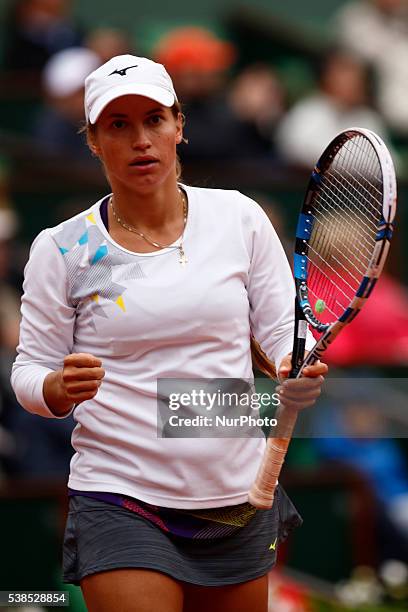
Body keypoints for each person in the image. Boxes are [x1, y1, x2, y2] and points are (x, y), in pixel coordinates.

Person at [11, 54, 327, 612]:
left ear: (179, 126)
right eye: (118, 125)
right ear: (92, 140)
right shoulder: (66, 249)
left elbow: (283, 333)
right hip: (121, 494)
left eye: (154, 120)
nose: (140, 140)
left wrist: (291, 367)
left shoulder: (240, 219)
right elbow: (29, 374)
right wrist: (58, 387)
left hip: (235, 496)